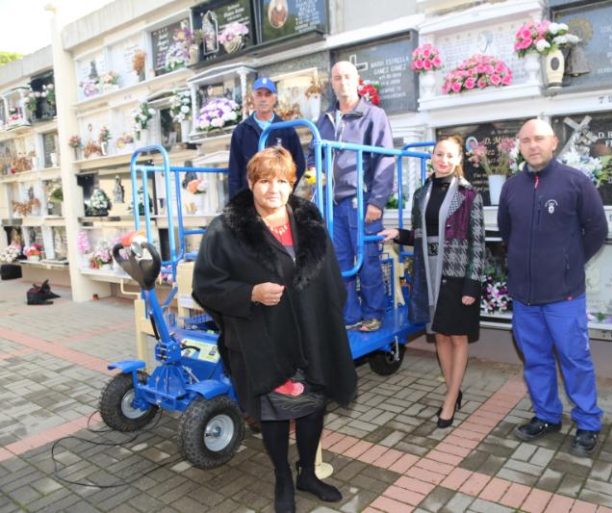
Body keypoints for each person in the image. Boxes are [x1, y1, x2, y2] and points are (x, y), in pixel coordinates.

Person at [193, 147, 356, 513]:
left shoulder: (308, 220)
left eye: (282, 181)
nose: (274, 189)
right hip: (263, 339)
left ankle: (308, 474)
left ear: (292, 183)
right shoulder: (227, 229)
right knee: (276, 412)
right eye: (265, 181)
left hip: (312, 332)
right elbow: (206, 287)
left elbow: (329, 274)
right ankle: (283, 478)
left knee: (313, 406)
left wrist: (328, 322)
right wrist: (249, 293)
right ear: (251, 182)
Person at [497, 118, 608, 457]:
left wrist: (568, 264)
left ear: (554, 143)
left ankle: (588, 423)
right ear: (519, 145)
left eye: (539, 139)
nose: (532, 145)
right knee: (535, 360)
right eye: (526, 140)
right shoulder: (511, 187)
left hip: (564, 295)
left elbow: (597, 230)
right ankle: (547, 416)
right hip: (525, 296)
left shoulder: (575, 183)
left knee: (575, 360)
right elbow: (506, 232)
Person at [380, 135, 484, 429]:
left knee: (457, 336)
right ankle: (453, 390)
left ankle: (450, 398)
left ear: (458, 160)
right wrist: (398, 235)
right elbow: (418, 235)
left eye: (450, 155)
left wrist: (472, 284)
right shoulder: (421, 194)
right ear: (432, 157)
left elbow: (478, 243)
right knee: (439, 335)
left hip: (456, 273)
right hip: (428, 272)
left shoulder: (468, 195)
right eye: (439, 154)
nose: (443, 160)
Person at [307, 60, 394, 332]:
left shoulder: (373, 115)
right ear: (331, 84)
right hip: (332, 204)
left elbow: (385, 159)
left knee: (367, 259)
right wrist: (313, 173)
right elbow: (313, 154)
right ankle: (350, 314)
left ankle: (373, 313)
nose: (342, 82)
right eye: (336, 77)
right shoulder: (324, 119)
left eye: (346, 76)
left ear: (357, 80)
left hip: (361, 202)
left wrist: (377, 202)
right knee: (340, 262)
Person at [228, 77, 305, 199]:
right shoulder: (241, 131)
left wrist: (286, 190)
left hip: (277, 198)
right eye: (259, 94)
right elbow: (234, 171)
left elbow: (299, 163)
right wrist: (236, 203)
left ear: (274, 98)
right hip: (249, 200)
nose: (263, 99)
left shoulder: (287, 129)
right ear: (252, 97)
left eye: (268, 94)